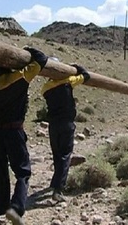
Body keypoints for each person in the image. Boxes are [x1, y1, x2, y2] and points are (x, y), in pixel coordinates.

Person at [0, 46, 48, 225]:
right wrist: (25, 51)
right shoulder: (20, 77)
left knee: (1, 170)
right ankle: (16, 208)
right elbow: (42, 59)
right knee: (23, 171)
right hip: (15, 131)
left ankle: (0, 207)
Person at [42, 60, 90, 202]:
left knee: (57, 154)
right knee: (65, 156)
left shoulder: (45, 88)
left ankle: (55, 183)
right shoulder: (68, 82)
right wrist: (74, 66)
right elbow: (86, 75)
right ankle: (58, 189)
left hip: (53, 125)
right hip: (66, 124)